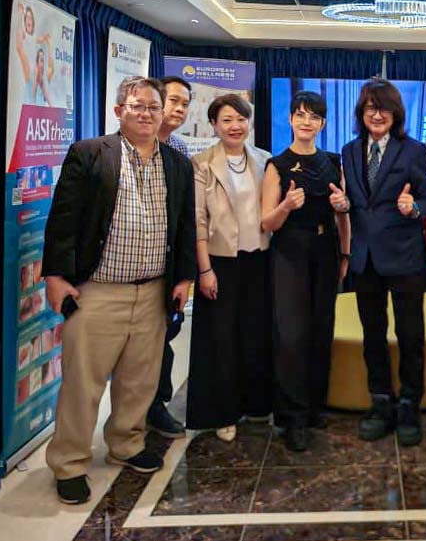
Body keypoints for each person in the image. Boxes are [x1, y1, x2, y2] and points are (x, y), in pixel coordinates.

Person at [42, 76, 195, 504]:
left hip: (153, 291)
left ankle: (126, 444)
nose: (146, 113)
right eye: (137, 106)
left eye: (153, 107)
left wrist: (183, 278)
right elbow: (63, 219)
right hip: (97, 291)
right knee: (82, 383)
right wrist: (56, 275)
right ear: (118, 111)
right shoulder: (90, 153)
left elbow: (185, 225)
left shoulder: (177, 164)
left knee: (139, 380)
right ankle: (69, 462)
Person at [330, 78, 426, 446]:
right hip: (366, 260)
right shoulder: (348, 150)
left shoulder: (414, 150)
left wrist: (414, 207)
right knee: (372, 335)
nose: (377, 115)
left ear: (396, 113)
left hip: (406, 258)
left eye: (384, 108)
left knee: (410, 335)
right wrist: (343, 205)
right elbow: (358, 202)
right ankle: (380, 402)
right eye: (370, 108)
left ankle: (409, 405)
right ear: (361, 113)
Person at [261, 90, 350, 452]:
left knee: (321, 329)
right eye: (300, 115)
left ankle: (314, 407)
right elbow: (267, 222)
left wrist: (345, 251)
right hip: (290, 253)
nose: (306, 122)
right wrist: (285, 205)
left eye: (313, 116)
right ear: (290, 119)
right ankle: (292, 417)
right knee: (291, 335)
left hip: (326, 250)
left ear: (322, 123)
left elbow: (342, 213)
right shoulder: (277, 165)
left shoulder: (333, 161)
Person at [187, 94, 273, 442]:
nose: (235, 126)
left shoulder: (264, 159)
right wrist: (205, 270)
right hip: (220, 262)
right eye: (226, 120)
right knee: (221, 339)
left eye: (240, 119)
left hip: (259, 259)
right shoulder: (202, 163)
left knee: (255, 333)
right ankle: (224, 413)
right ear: (214, 125)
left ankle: (256, 405)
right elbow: (197, 220)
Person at [145, 75, 195, 440]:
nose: (178, 109)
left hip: (169, 263)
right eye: (173, 100)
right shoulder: (121, 148)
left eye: (184, 104)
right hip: (129, 265)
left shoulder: (179, 149)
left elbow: (185, 215)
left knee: (165, 337)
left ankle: (156, 406)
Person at [158, 75, 193, 157]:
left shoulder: (180, 147)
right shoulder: (136, 140)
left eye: (185, 104)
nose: (180, 109)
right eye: (173, 100)